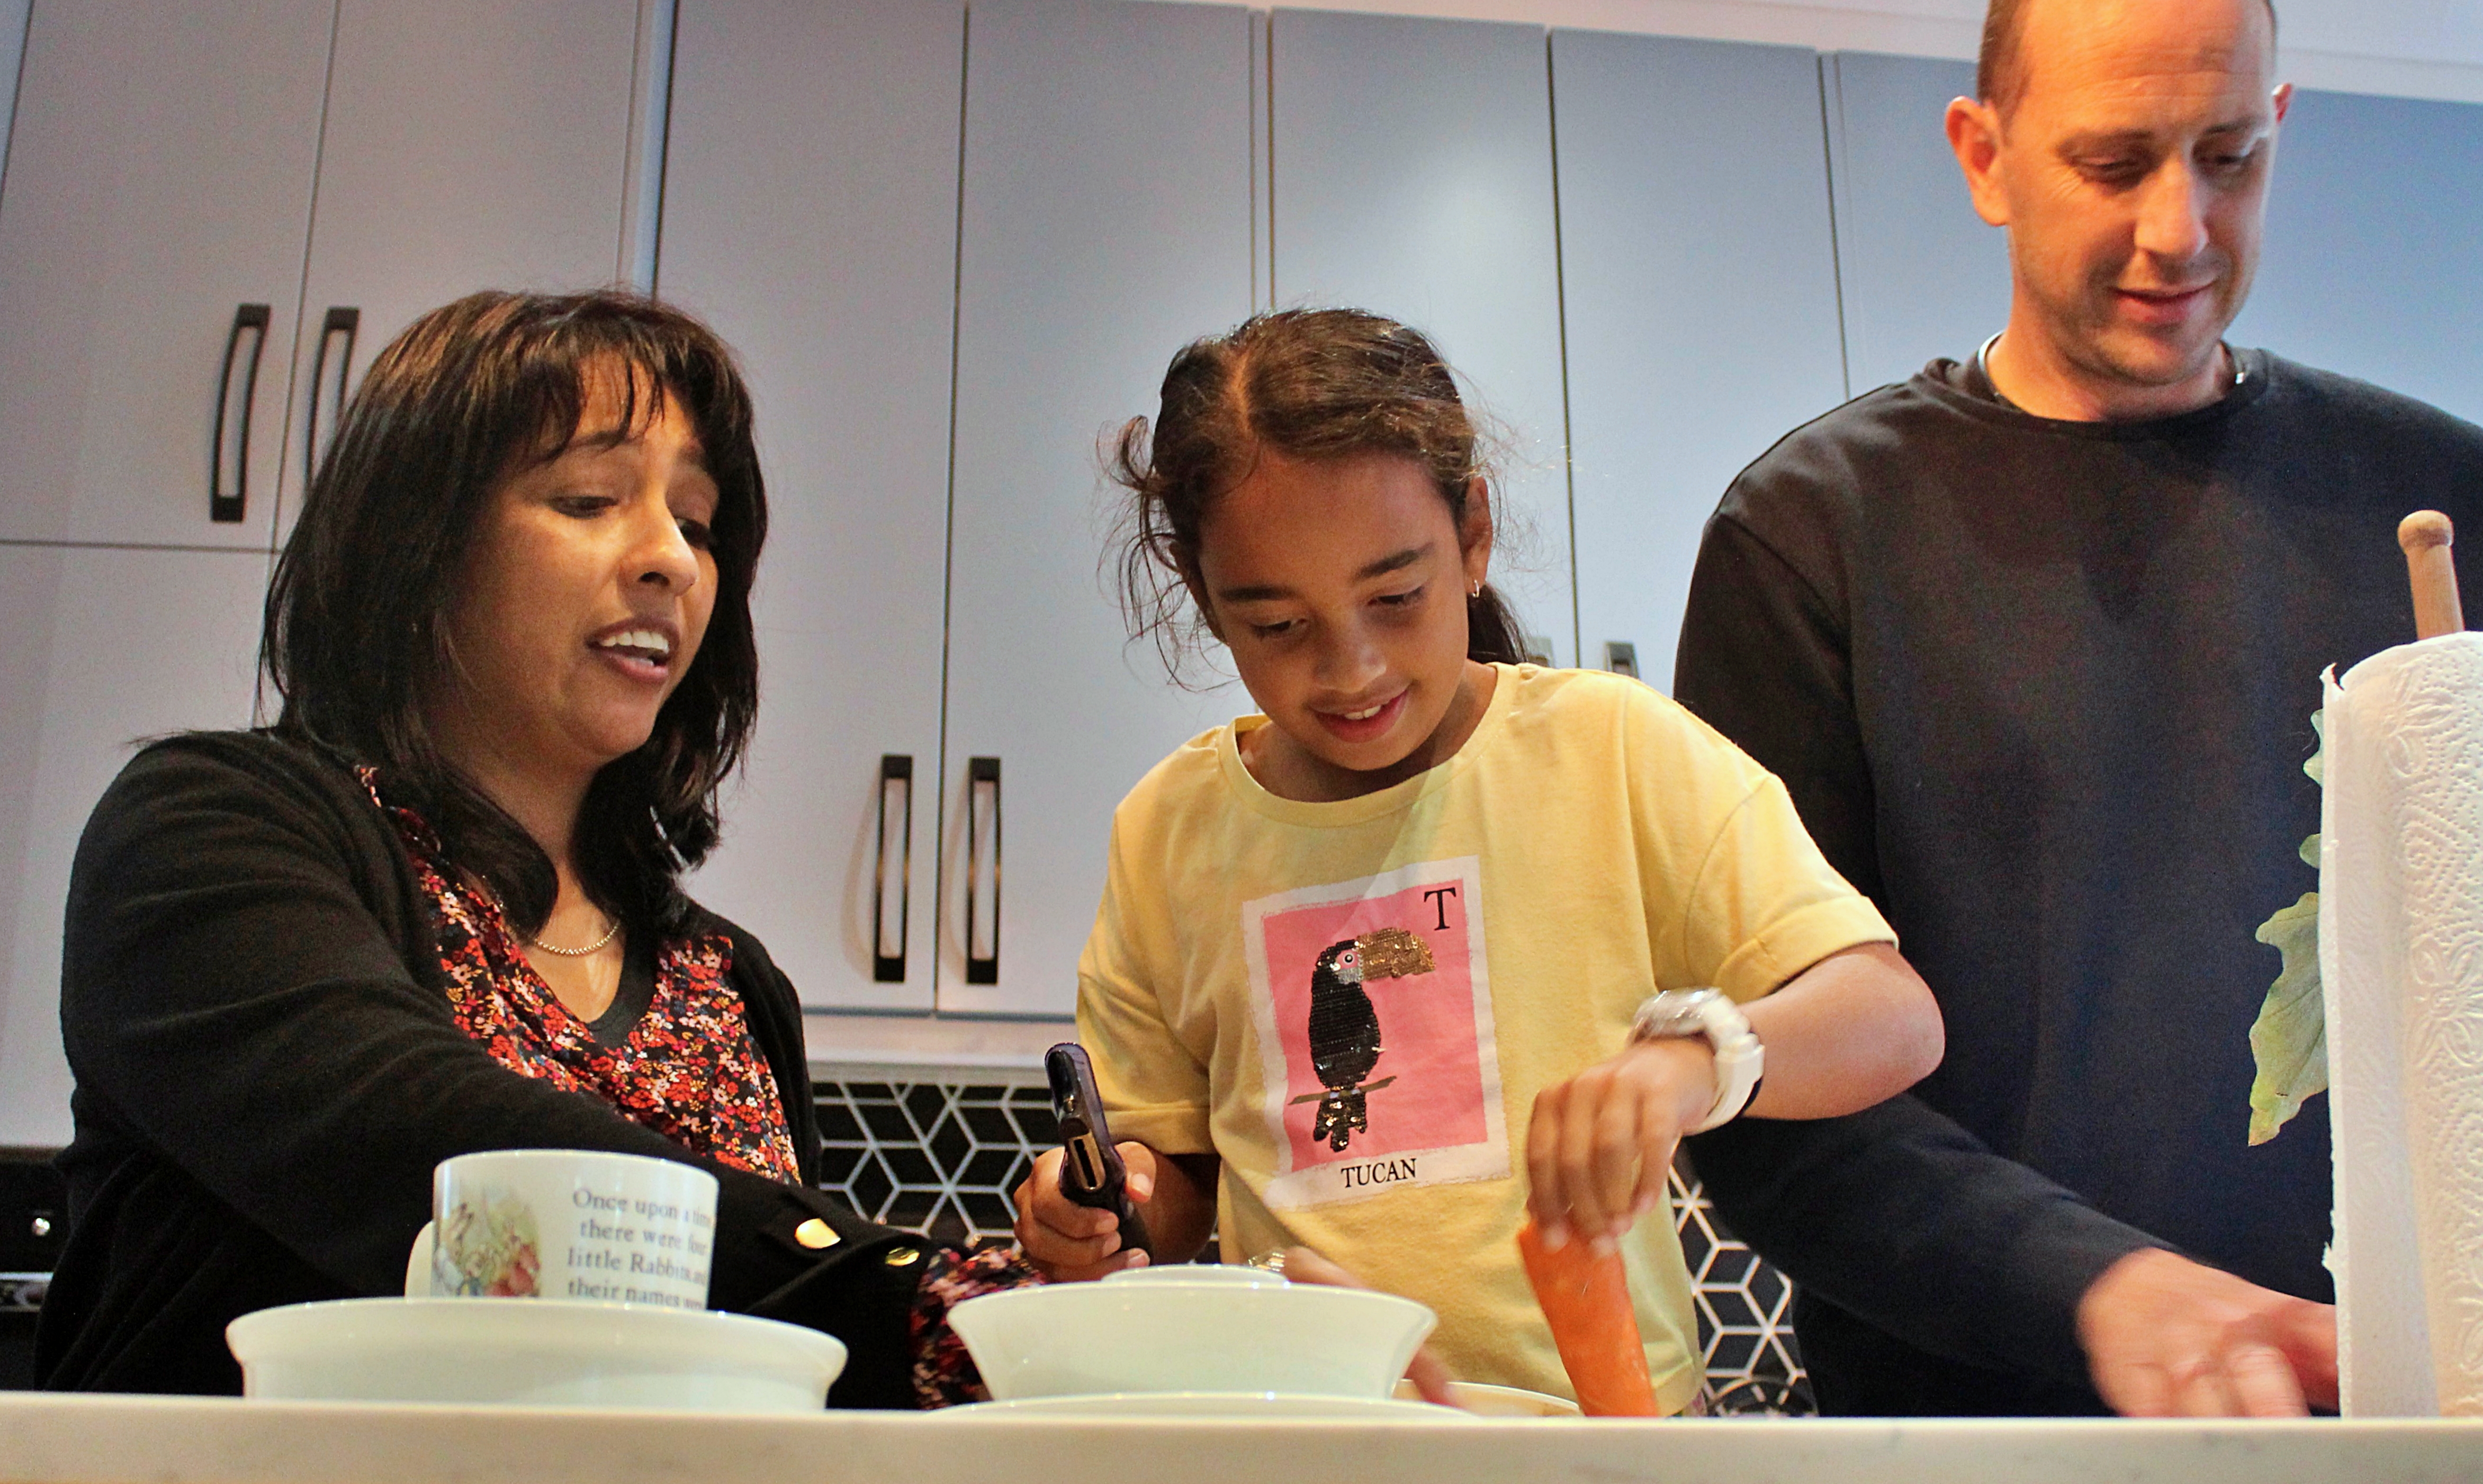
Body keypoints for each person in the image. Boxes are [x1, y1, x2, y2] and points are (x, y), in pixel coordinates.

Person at [1672, 0, 2483, 1418]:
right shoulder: (1811, 536)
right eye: (2114, 165)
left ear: (2278, 132)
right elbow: (1762, 1101)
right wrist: (2097, 1284)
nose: (2179, 228)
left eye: (2227, 158)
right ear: (1982, 157)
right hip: (1969, 1432)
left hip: (2400, 1417)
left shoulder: (2437, 501)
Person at [37, 290, 1035, 1404]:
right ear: (414, 543)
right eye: (588, 498)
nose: (670, 559)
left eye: (698, 524)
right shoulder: (210, 829)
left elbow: (789, 1380)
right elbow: (429, 1145)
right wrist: (908, 1286)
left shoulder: (733, 985)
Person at [1012, 308, 1946, 1412]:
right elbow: (1170, 1188)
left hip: (1596, 1443)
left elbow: (1891, 1018)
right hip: (1312, 1441)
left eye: (1394, 597)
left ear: (1471, 535)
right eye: (1276, 625)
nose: (1350, 668)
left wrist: (1692, 1062)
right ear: (1204, 597)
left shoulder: (1608, 751)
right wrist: (1096, 1207)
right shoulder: (1170, 830)